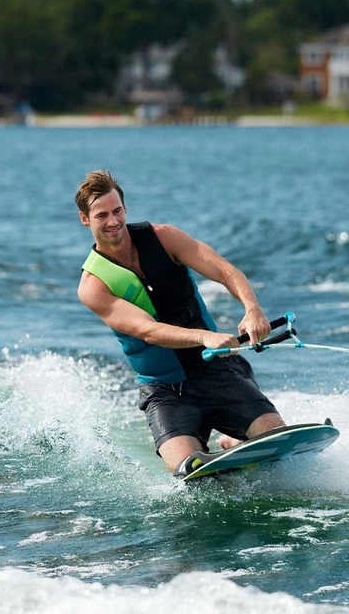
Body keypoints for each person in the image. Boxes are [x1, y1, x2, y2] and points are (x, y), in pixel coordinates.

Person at [75, 170, 286, 477]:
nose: (113, 221)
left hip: (216, 370)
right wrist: (204, 337)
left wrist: (253, 309)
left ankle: (233, 437)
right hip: (165, 391)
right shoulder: (93, 286)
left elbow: (224, 270)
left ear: (125, 208)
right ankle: (226, 440)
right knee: (190, 472)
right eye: (102, 215)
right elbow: (147, 330)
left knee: (273, 436)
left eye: (117, 211)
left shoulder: (164, 237)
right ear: (85, 220)